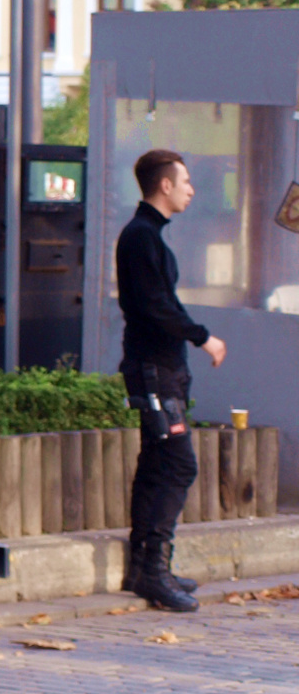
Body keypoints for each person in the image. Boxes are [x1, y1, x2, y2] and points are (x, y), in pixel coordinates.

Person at [115, 149, 226, 612]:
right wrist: (203, 337)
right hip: (153, 369)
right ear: (165, 185)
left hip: (161, 368)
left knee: (157, 464)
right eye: (185, 182)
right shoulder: (141, 237)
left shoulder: (148, 236)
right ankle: (153, 571)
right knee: (178, 466)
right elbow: (155, 306)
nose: (191, 190)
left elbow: (164, 302)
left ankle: (145, 567)